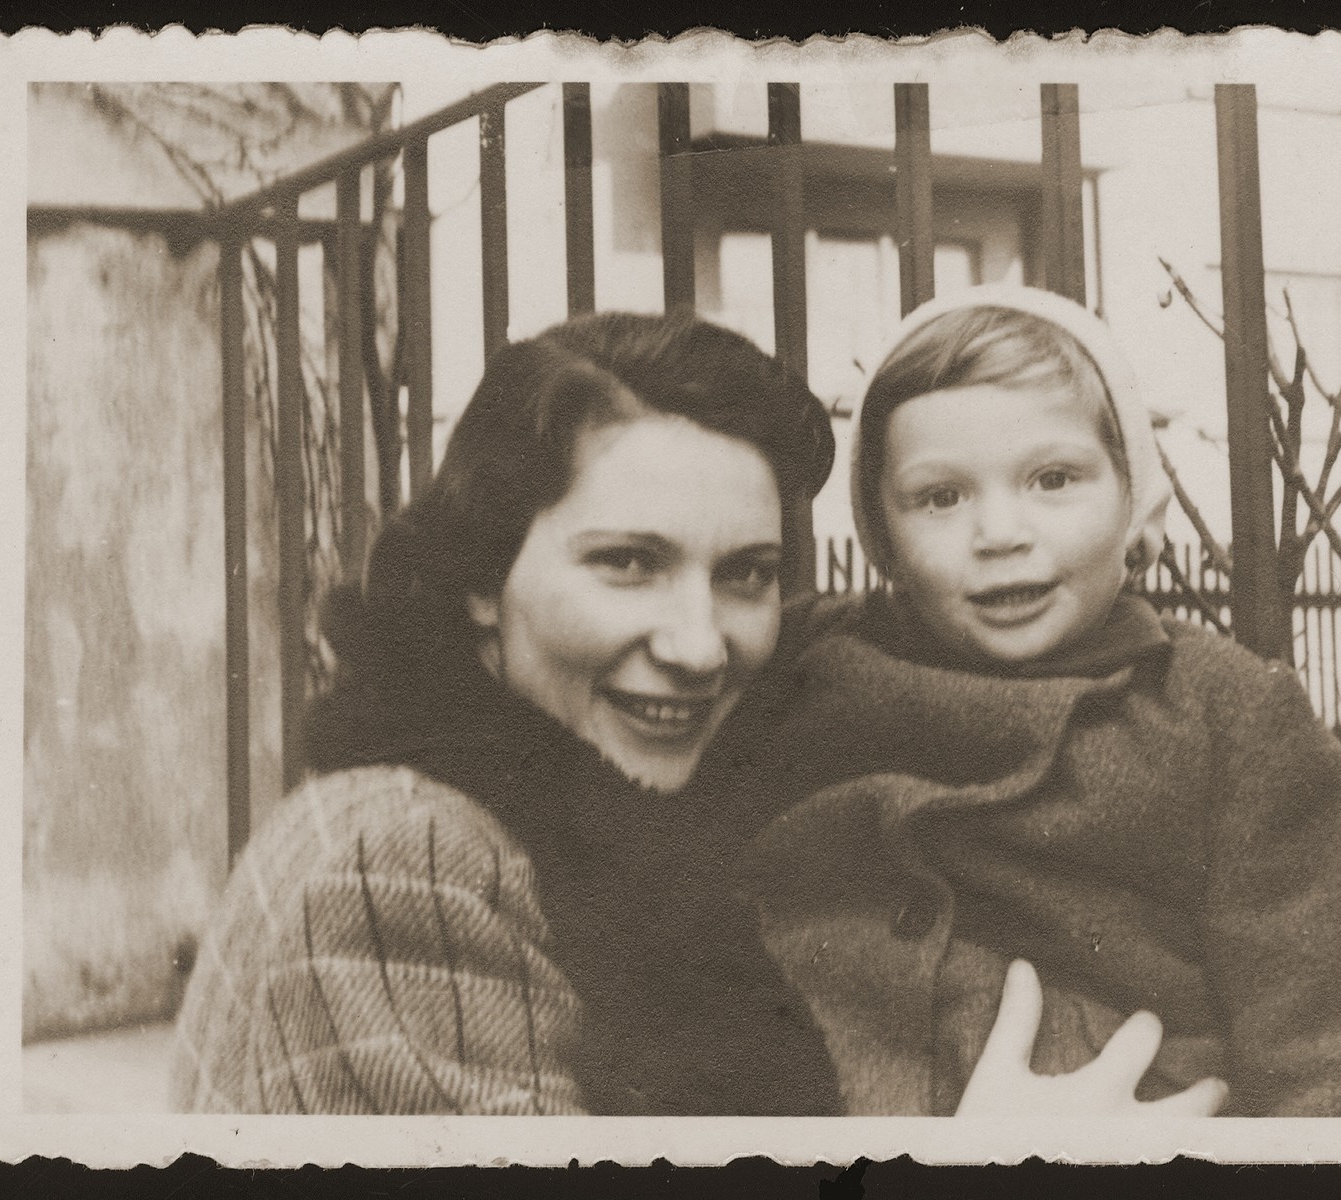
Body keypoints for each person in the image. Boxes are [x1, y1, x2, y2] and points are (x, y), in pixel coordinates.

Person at [743, 284, 1341, 1117]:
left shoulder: (1217, 710)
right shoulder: (807, 671)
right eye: (940, 498)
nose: (1000, 532)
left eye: (1053, 479)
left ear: (1135, 509)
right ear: (883, 536)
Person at [170, 312, 843, 1115]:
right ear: (482, 578)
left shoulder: (513, 810)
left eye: (746, 575)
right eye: (627, 563)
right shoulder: (405, 862)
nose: (699, 649)